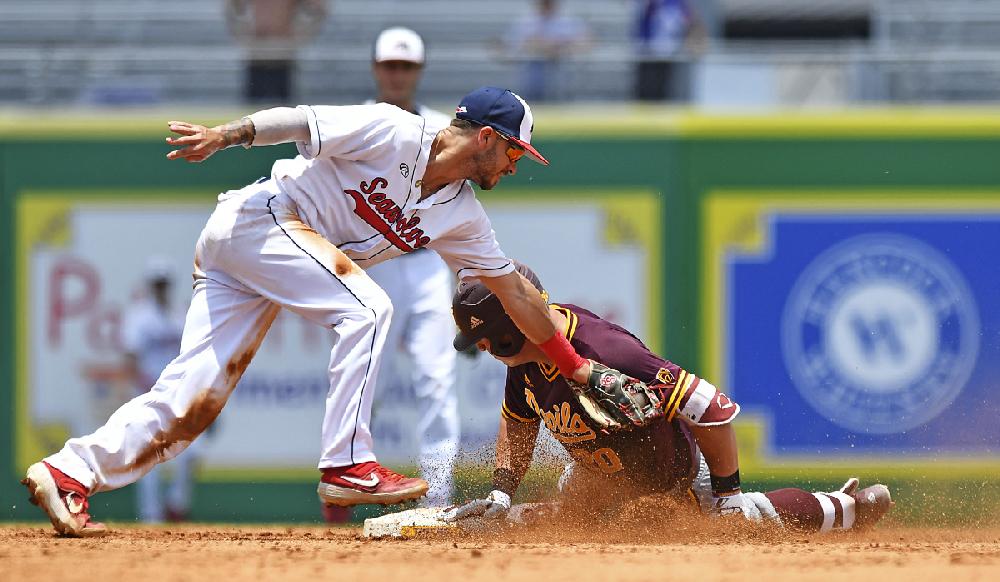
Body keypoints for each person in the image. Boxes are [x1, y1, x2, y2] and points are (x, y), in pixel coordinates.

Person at [22, 86, 605, 538]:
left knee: (190, 401)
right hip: (260, 220)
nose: (515, 165)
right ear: (485, 137)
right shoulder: (396, 130)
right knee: (370, 309)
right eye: (513, 150)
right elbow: (302, 121)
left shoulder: (462, 215)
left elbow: (516, 294)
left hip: (266, 257)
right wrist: (227, 135)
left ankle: (70, 473)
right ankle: (348, 464)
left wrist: (574, 366)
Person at [442, 263, 893, 533]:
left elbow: (713, 409)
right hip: (597, 474)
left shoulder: (606, 351)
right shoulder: (523, 360)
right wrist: (501, 494)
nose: (482, 351)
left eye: (483, 340)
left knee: (736, 523)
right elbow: (518, 421)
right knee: (563, 521)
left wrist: (729, 494)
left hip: (670, 476)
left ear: (509, 329)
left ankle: (848, 508)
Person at [363, 27, 459, 507]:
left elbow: (459, 212)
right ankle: (344, 483)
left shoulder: (444, 130)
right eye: (389, 66)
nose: (397, 74)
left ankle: (438, 500)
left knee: (437, 384)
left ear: (418, 71)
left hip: (425, 267)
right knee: (361, 380)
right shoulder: (356, 122)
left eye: (405, 66)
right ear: (376, 68)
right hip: (370, 265)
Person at [120, 259, 199, 523]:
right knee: (147, 461)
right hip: (147, 393)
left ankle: (177, 504)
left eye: (164, 283)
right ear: (150, 286)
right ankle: (150, 519)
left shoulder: (179, 314)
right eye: (157, 284)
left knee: (189, 453)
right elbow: (130, 357)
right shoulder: (139, 316)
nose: (161, 288)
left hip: (177, 395)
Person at [225, 0, 328, 104]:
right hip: (257, 53)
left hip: (283, 54)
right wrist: (241, 33)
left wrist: (302, 36)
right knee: (253, 108)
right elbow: (232, 8)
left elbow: (318, 8)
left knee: (283, 109)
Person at [505, 0, 590, 102]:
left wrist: (557, 46)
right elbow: (518, 45)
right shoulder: (527, 21)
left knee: (561, 73)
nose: (546, 6)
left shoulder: (567, 21)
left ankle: (562, 102)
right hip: (534, 63)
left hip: (561, 61)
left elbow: (583, 42)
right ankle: (535, 102)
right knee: (535, 73)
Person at [634, 0, 706, 102]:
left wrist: (695, 38)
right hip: (647, 51)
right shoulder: (652, 4)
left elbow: (691, 21)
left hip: (669, 52)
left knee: (663, 90)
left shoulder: (678, 3)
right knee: (645, 89)